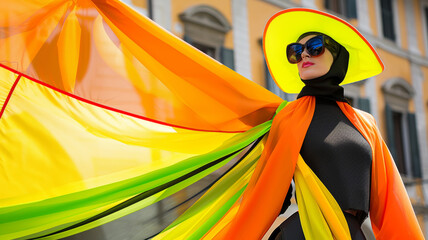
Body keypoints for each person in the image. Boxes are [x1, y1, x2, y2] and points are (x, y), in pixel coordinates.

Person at [254, 8, 424, 240]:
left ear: (338, 55)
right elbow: (268, 195)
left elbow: (389, 202)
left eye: (314, 47)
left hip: (352, 234)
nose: (303, 55)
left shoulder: (366, 123)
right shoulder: (287, 117)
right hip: (302, 233)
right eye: (295, 51)